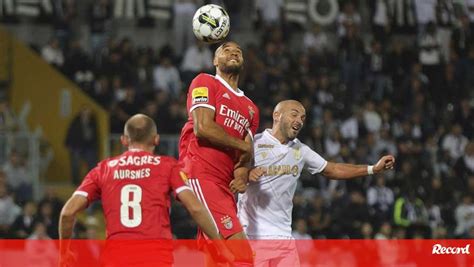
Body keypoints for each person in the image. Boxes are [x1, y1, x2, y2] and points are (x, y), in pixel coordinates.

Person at [59, 114, 233, 267]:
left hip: (117, 259)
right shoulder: (167, 166)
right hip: (155, 257)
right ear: (156, 139)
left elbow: (67, 213)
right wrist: (220, 245)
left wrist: (64, 253)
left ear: (124, 140)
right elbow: (195, 208)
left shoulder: (103, 169)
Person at [237, 100, 395, 267]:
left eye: (303, 118)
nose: (299, 120)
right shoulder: (255, 143)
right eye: (294, 114)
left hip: (283, 237)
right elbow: (230, 174)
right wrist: (246, 174)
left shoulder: (301, 150)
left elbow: (332, 169)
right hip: (252, 235)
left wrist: (372, 169)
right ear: (277, 115)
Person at [178, 41, 259, 265]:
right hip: (200, 173)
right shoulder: (205, 81)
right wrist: (242, 146)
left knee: (215, 257)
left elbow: (245, 156)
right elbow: (202, 128)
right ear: (215, 60)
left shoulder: (251, 108)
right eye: (226, 50)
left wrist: (241, 176)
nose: (234, 52)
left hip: (224, 186)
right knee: (241, 253)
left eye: (239, 51)